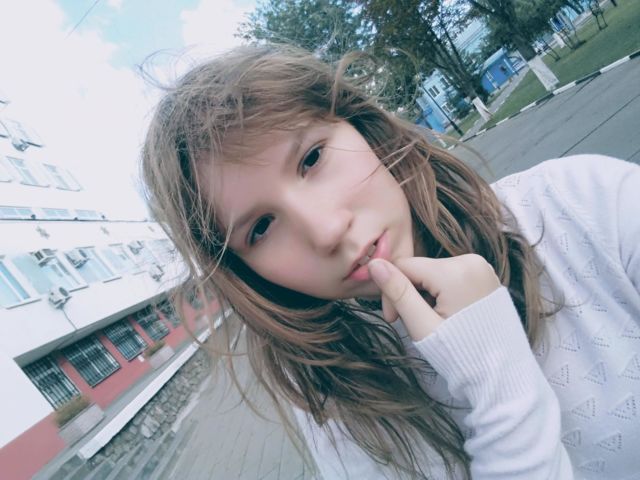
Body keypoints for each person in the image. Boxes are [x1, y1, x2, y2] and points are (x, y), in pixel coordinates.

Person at [141, 45, 640, 479]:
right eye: (262, 227)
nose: (327, 230)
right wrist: (497, 384)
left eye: (312, 159)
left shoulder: (582, 202)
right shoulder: (336, 414)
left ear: (361, 125)